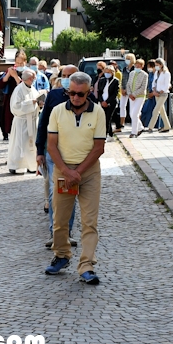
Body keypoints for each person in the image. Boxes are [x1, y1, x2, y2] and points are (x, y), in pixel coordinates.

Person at [44, 71, 107, 285]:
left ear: (88, 93)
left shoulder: (98, 113)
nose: (75, 98)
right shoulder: (57, 111)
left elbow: (99, 148)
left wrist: (78, 172)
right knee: (60, 219)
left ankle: (87, 265)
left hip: (88, 173)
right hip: (64, 171)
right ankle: (62, 255)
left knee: (90, 221)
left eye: (80, 94)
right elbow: (51, 145)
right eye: (71, 93)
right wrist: (66, 171)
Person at [36, 65, 79, 248]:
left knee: (70, 192)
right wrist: (39, 150)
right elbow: (43, 123)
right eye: (65, 75)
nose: (67, 78)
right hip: (53, 152)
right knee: (55, 192)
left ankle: (66, 232)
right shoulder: (54, 96)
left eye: (71, 75)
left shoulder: (86, 96)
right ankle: (55, 233)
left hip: (75, 154)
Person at [8, 68, 41, 174]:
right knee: (19, 144)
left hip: (32, 121)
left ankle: (31, 166)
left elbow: (35, 102)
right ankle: (14, 165)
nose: (34, 79)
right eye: (33, 78)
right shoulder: (18, 90)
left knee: (31, 146)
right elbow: (15, 107)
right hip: (21, 122)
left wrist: (39, 104)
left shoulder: (32, 89)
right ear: (29, 78)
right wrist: (32, 102)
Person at [0, 49, 26, 141]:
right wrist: (9, 74)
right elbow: (0, 85)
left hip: (23, 101)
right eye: (17, 63)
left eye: (21, 63)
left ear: (25, 62)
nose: (19, 65)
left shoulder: (27, 72)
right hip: (11, 100)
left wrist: (15, 76)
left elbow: (24, 87)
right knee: (10, 125)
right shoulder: (11, 70)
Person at [145, 58, 171, 133]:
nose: (156, 66)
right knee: (162, 111)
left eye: (157, 65)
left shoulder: (166, 73)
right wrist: (154, 90)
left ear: (161, 65)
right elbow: (154, 82)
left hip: (163, 94)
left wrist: (159, 92)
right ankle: (167, 126)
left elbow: (166, 85)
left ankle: (150, 127)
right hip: (156, 93)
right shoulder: (156, 73)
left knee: (156, 110)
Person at [125, 59, 148, 138]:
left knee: (135, 113)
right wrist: (130, 94)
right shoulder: (132, 73)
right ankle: (140, 127)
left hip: (140, 96)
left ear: (142, 66)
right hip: (131, 96)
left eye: (139, 66)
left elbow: (143, 87)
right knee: (132, 114)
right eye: (136, 65)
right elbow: (128, 84)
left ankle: (134, 132)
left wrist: (134, 94)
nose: (137, 67)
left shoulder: (145, 75)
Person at [97, 65, 120, 140]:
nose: (107, 74)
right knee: (104, 119)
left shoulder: (115, 81)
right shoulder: (102, 80)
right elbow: (99, 92)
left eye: (109, 72)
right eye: (106, 72)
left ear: (112, 73)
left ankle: (106, 135)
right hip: (102, 102)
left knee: (108, 118)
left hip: (111, 103)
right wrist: (101, 101)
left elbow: (114, 94)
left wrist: (107, 102)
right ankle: (110, 134)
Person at [119, 53, 136, 130]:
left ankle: (134, 123)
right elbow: (123, 79)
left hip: (132, 90)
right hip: (124, 90)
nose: (127, 60)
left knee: (132, 107)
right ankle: (122, 122)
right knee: (122, 106)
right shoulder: (124, 69)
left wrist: (128, 90)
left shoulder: (135, 69)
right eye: (126, 59)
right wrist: (122, 88)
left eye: (129, 59)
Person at [140, 59, 157, 129]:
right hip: (150, 94)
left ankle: (153, 125)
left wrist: (153, 93)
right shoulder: (150, 74)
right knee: (145, 110)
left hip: (155, 94)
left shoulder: (157, 74)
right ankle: (145, 124)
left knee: (153, 111)